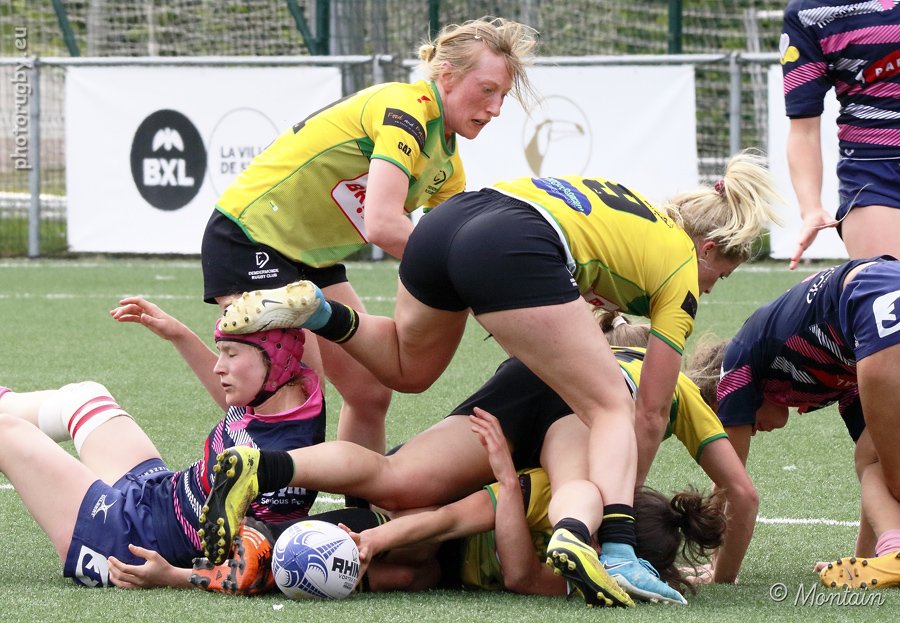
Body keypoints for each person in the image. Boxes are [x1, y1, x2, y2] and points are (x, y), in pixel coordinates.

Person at [211, 151, 782, 604]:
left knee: (405, 383)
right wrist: (622, 511)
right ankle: (612, 550)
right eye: (721, 275)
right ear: (709, 249)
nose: (711, 287)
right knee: (611, 408)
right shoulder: (678, 272)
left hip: (452, 223)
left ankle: (313, 334)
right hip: (517, 246)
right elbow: (650, 414)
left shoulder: (633, 215)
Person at [196, 308, 759, 605]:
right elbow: (738, 490)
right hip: (562, 422)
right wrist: (720, 577)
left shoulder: (592, 347)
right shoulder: (676, 386)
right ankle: (577, 535)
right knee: (576, 488)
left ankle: (270, 467)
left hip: (537, 375)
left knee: (394, 482)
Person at [201, 17, 539, 454]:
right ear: (448, 76)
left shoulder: (449, 167)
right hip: (250, 236)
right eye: (487, 89)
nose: (495, 109)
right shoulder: (406, 108)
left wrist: (521, 327)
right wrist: (495, 290)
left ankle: (358, 496)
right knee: (292, 384)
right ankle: (264, 495)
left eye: (503, 96)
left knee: (369, 391)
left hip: (312, 259)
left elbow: (452, 259)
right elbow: (384, 225)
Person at [109, 409, 728, 601]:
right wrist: (378, 539)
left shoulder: (584, 577)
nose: (588, 537)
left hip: (441, 567)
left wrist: (506, 484)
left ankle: (195, 570)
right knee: (407, 538)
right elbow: (452, 518)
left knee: (413, 573)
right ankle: (248, 532)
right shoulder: (559, 492)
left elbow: (518, 575)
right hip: (417, 521)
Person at [0, 296, 324, 587]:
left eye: (231, 354)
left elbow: (256, 565)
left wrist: (172, 577)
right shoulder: (277, 392)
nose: (218, 366)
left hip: (129, 542)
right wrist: (179, 334)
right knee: (85, 396)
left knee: (6, 433)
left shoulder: (286, 459)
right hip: (154, 492)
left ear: (274, 360)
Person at [695, 256, 900, 588]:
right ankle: (887, 557)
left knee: (880, 465)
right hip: (880, 293)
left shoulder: (737, 365)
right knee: (877, 458)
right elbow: (876, 460)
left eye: (731, 419)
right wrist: (859, 564)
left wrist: (719, 576)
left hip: (875, 296)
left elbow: (732, 489)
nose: (748, 430)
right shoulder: (831, 373)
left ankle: (895, 553)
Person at [780, 0, 900, 269]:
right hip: (875, 175)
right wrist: (810, 207)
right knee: (887, 287)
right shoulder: (807, 14)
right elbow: (804, 130)